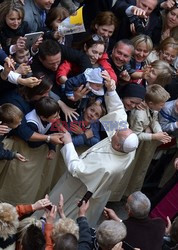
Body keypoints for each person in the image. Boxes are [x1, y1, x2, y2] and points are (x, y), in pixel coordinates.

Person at [38, 78, 139, 227]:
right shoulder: (126, 144)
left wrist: (69, 142)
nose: (114, 130)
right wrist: (111, 90)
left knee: (59, 216)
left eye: (117, 133)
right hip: (88, 184)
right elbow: (118, 112)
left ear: (117, 144)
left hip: (80, 188)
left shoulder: (107, 165)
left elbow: (76, 169)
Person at [126, 85, 171, 195]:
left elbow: (154, 121)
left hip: (142, 147)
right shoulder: (139, 115)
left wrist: (159, 132)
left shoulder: (153, 109)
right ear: (151, 104)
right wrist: (154, 137)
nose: (163, 106)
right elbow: (135, 135)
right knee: (131, 172)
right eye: (161, 104)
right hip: (133, 150)